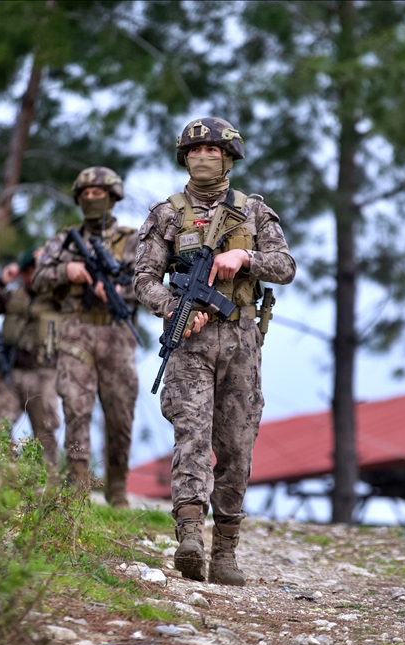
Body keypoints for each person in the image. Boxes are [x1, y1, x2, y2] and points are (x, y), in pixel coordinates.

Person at [133, 117, 295, 585]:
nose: (203, 156)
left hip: (241, 340)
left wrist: (245, 257)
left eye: (213, 150)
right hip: (190, 344)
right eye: (195, 150)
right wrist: (173, 308)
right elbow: (143, 279)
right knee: (192, 437)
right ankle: (189, 537)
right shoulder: (167, 214)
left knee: (237, 447)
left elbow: (285, 266)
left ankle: (225, 551)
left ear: (229, 158)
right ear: (184, 158)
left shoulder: (253, 211)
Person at [32, 167, 139, 506]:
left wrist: (121, 291)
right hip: (76, 332)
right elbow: (38, 278)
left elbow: (150, 282)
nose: (92, 199)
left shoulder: (132, 239)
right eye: (86, 194)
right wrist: (68, 270)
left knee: (120, 414)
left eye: (99, 193)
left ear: (113, 197)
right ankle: (78, 486)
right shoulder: (64, 240)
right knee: (76, 409)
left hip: (117, 334)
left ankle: (117, 487)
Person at [0, 248, 62, 470]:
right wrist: (2, 281)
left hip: (43, 375)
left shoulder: (59, 298)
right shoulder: (12, 296)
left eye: (36, 270)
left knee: (45, 432)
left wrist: (52, 264)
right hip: (10, 374)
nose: (31, 276)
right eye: (28, 271)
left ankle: (49, 483)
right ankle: (8, 473)